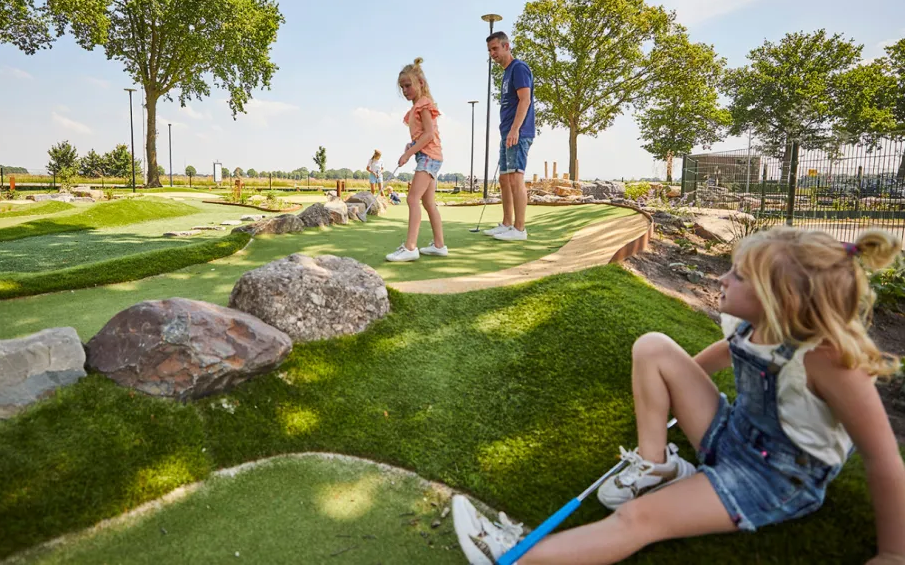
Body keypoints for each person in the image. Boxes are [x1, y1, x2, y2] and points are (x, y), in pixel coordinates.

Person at [452, 226, 905, 564]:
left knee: (640, 521)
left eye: (738, 276)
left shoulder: (829, 363)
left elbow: (884, 459)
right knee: (654, 347)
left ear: (778, 298)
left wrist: (894, 554)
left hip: (774, 480)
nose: (723, 279)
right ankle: (656, 466)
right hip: (732, 433)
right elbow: (712, 358)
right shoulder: (754, 325)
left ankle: (512, 556)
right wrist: (678, 387)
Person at [385, 57, 448, 262]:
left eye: (408, 85)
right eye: (402, 87)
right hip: (427, 155)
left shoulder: (424, 105)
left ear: (420, 83)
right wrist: (411, 146)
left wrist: (408, 154)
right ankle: (439, 245)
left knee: (412, 199)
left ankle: (410, 247)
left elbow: (429, 135)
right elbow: (422, 136)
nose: (405, 90)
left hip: (429, 157)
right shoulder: (415, 108)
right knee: (428, 202)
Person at [483, 31, 535, 241]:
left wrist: (514, 130)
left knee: (515, 177)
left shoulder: (519, 68)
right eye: (489, 51)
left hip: (518, 132)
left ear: (506, 46)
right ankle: (507, 223)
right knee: (504, 179)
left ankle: (520, 229)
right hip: (507, 132)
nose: (492, 54)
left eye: (495, 48)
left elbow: (525, 100)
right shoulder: (506, 73)